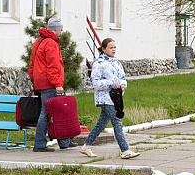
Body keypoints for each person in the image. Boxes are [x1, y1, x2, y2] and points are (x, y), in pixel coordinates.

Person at [79, 38, 140, 159]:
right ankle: (125, 150)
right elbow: (95, 83)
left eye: (115, 47)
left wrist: (123, 85)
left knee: (101, 124)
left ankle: (85, 146)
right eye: (111, 47)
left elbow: (123, 77)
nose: (113, 50)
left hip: (116, 98)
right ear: (103, 49)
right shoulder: (99, 64)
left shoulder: (116, 63)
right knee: (117, 122)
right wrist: (111, 84)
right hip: (104, 99)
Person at [29, 17, 74, 152]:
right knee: (47, 113)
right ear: (56, 29)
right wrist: (57, 84)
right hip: (49, 83)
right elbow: (54, 67)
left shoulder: (38, 42)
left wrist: (35, 81)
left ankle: (64, 141)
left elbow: (32, 66)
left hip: (40, 82)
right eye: (61, 29)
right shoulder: (51, 44)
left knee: (56, 112)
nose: (61, 31)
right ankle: (40, 144)